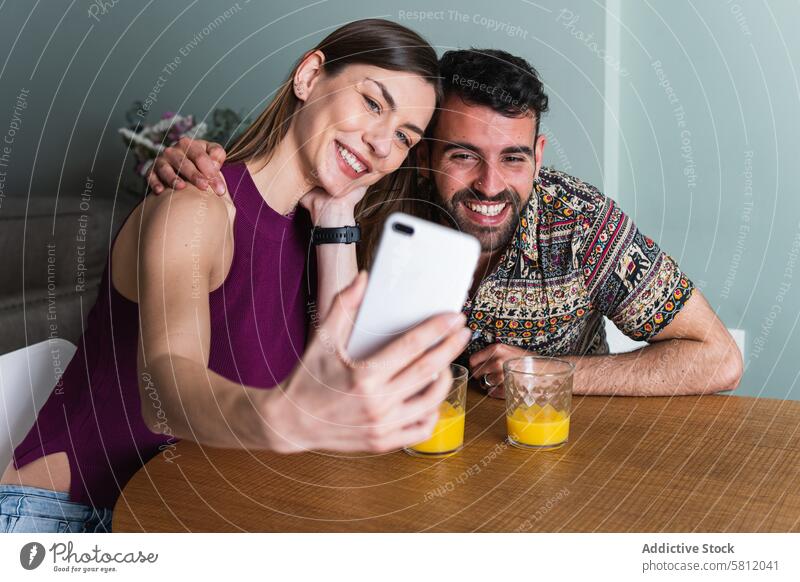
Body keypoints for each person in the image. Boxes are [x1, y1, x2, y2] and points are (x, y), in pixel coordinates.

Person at [0, 19, 472, 533]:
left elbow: (335, 385)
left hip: (184, 515)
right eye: (374, 103)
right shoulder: (197, 206)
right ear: (310, 76)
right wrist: (280, 418)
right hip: (66, 520)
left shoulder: (312, 230)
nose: (384, 144)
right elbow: (165, 391)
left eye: (405, 136)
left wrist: (337, 222)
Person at [151, 48, 743, 398]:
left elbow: (718, 357)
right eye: (464, 155)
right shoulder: (365, 192)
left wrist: (551, 371)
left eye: (513, 158)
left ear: (538, 155)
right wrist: (191, 164)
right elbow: (260, 189)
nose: (490, 186)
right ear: (429, 148)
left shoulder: (579, 221)